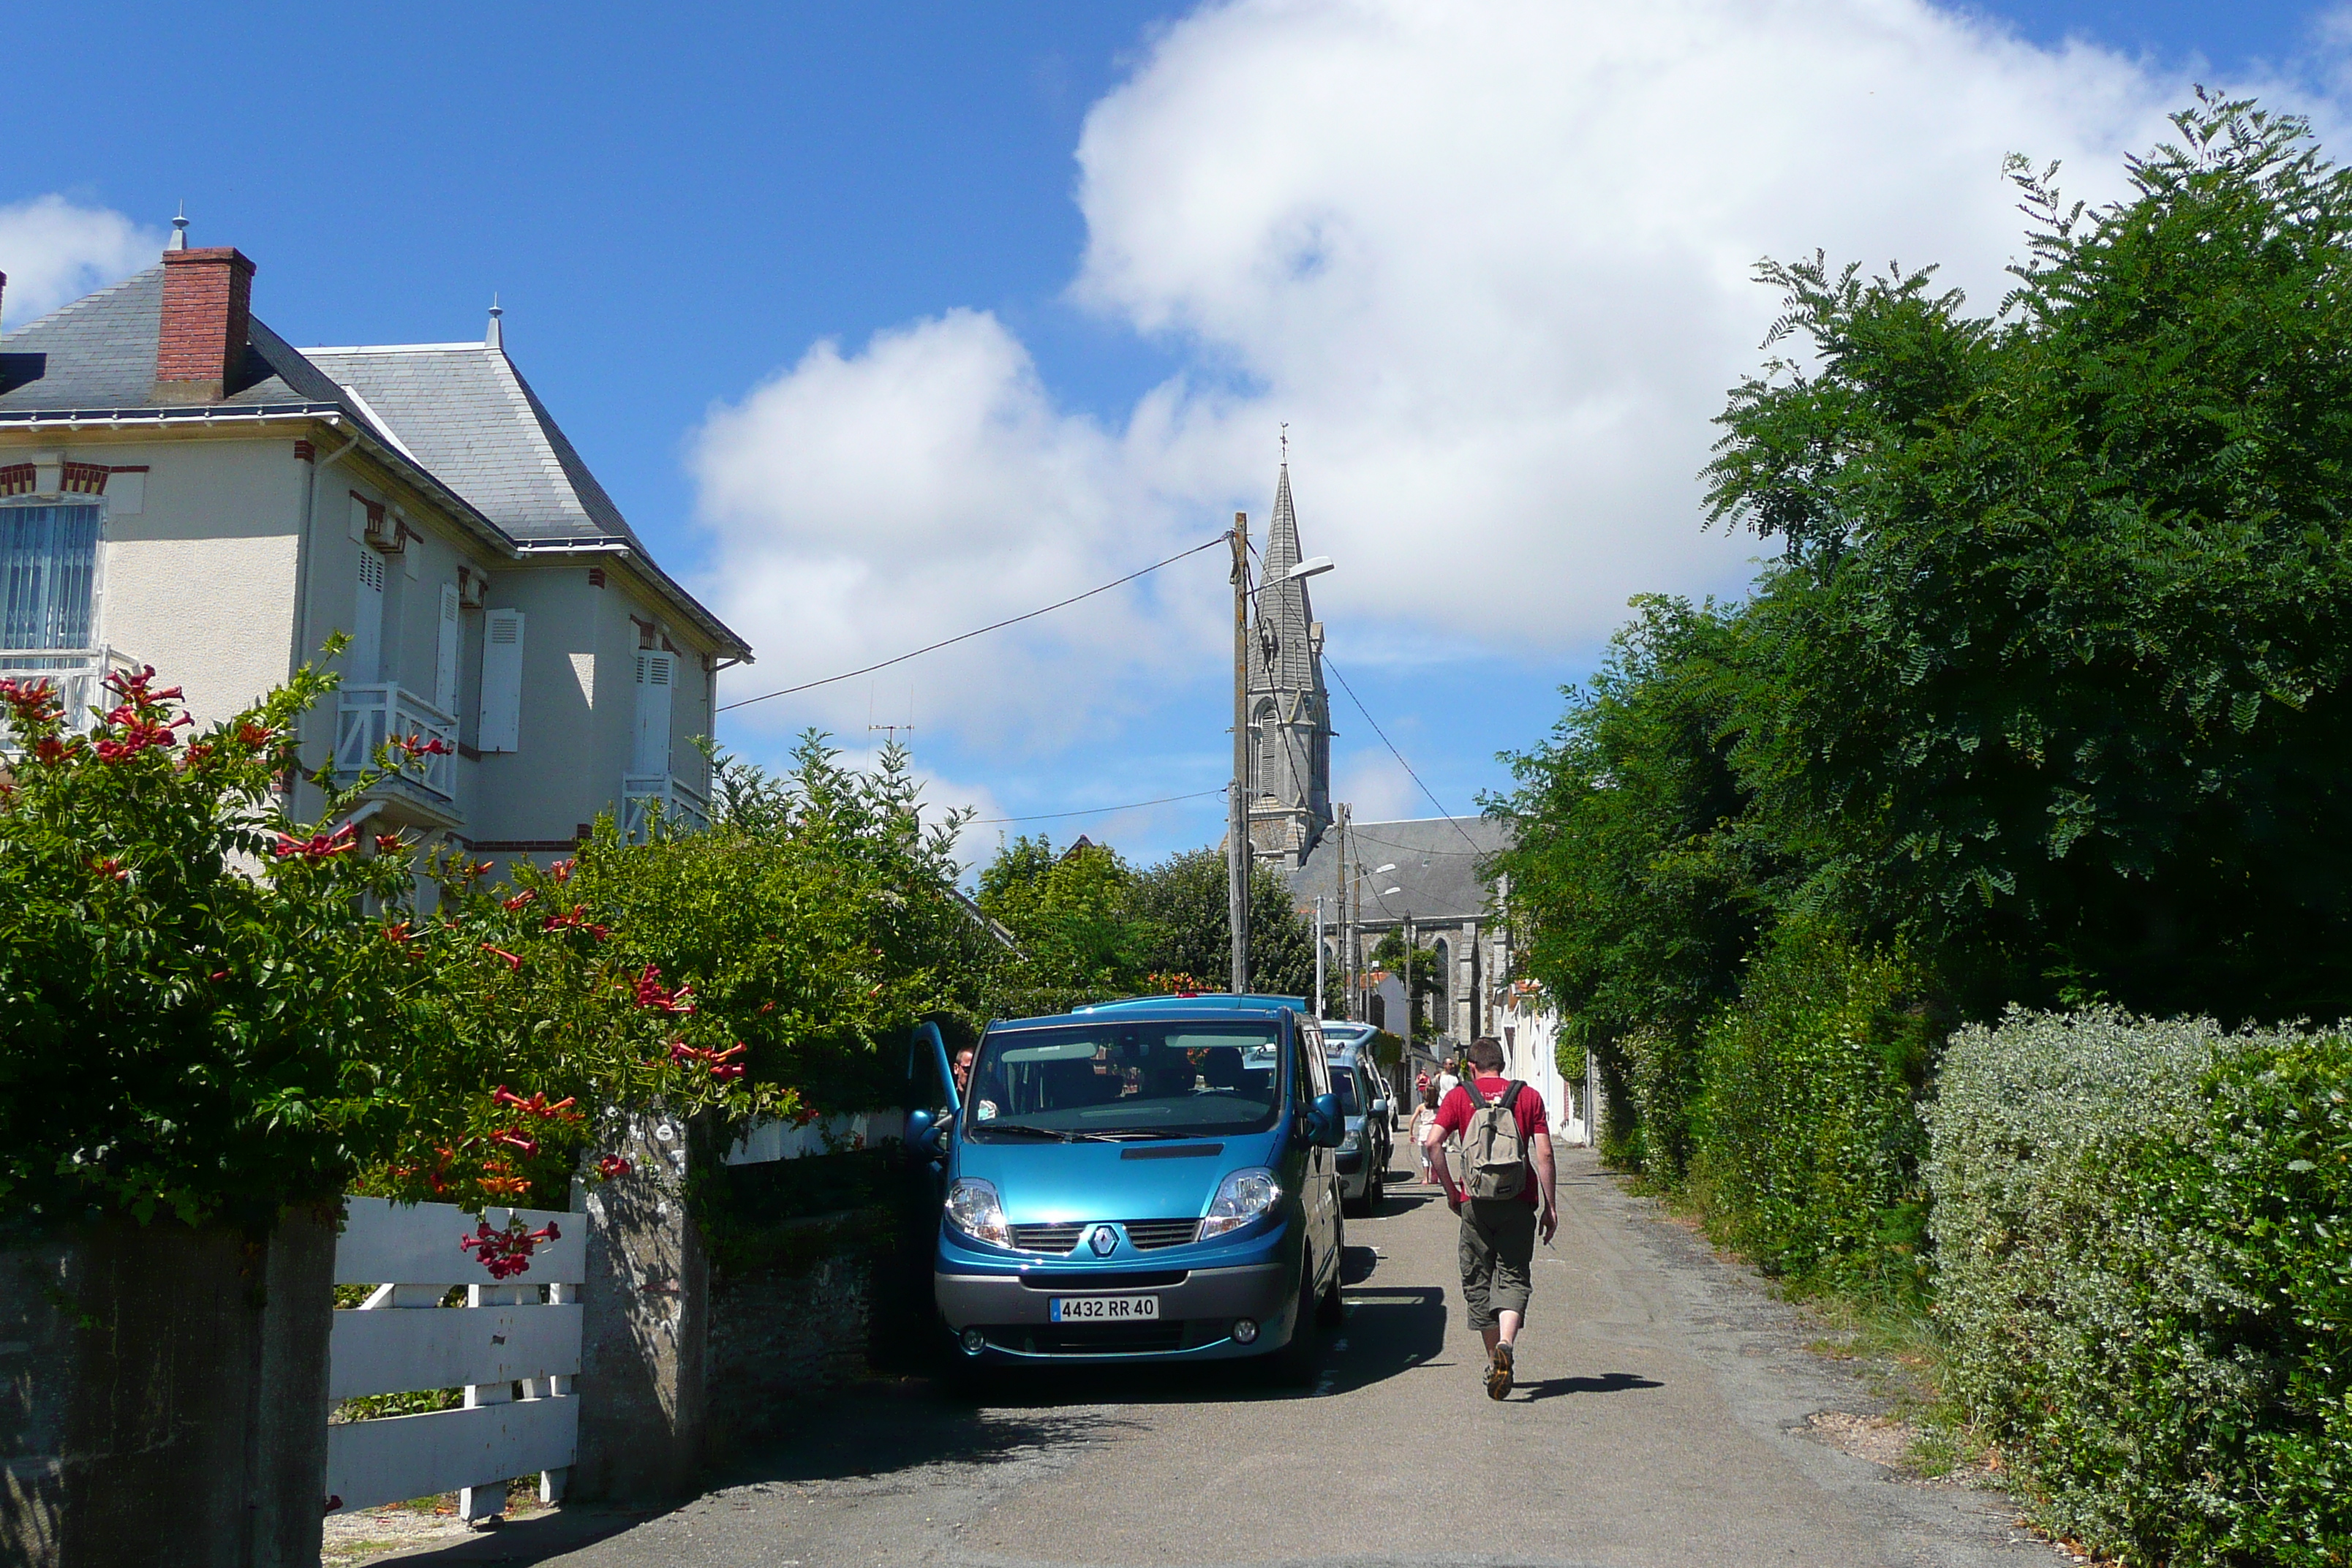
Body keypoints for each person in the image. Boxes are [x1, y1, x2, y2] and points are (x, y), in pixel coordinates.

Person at [1421, 1036, 1557, 1401]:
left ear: (1471, 1066)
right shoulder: (1527, 1097)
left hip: (1475, 1203)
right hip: (1519, 1201)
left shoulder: (1459, 1097)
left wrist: (1451, 1190)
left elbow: (1432, 1143)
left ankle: (1493, 1357)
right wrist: (1551, 1205)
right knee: (1513, 1274)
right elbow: (1543, 1154)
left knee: (1478, 1279)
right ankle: (1508, 1344)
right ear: (1503, 1063)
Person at [1408, 1084, 1441, 1183]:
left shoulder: (1421, 1107)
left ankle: (1426, 1178)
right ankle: (1435, 1176)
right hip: (1435, 1131)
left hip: (1424, 1132)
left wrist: (1411, 1133)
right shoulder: (1439, 1108)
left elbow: (1412, 1120)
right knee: (1436, 1156)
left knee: (1425, 1157)